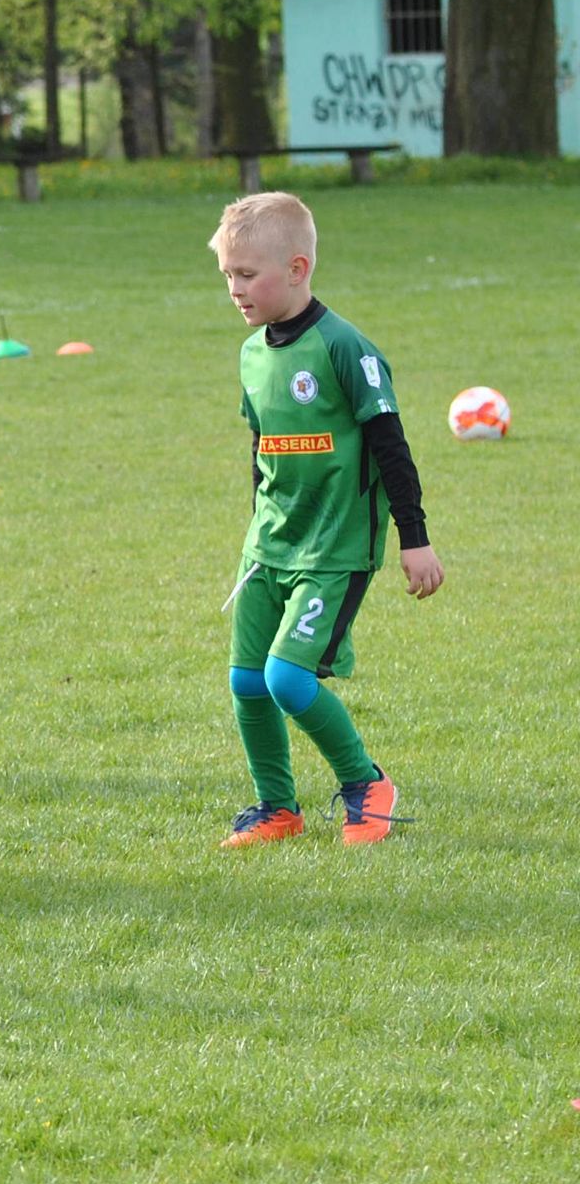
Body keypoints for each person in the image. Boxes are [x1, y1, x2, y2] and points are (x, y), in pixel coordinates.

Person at [209, 192, 442, 848]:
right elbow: (261, 451)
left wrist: (413, 540)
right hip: (268, 548)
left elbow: (391, 448)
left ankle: (366, 783)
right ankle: (276, 807)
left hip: (335, 549)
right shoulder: (252, 354)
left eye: (247, 274)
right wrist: (258, 526)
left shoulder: (345, 348)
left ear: (298, 266)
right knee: (248, 680)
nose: (235, 288)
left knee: (288, 678)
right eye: (228, 275)